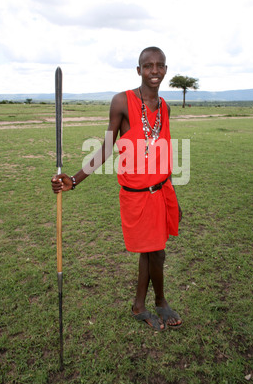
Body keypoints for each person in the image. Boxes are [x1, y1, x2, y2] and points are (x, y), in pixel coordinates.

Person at [51, 47, 182, 330]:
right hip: (136, 195)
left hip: (161, 191)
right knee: (153, 251)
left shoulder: (166, 108)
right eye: (148, 66)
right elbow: (106, 148)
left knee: (154, 252)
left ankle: (143, 305)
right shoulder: (122, 101)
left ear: (166, 70)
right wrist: (73, 180)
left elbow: (161, 155)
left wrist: (173, 196)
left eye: (160, 65)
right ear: (139, 70)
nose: (154, 71)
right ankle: (156, 303)